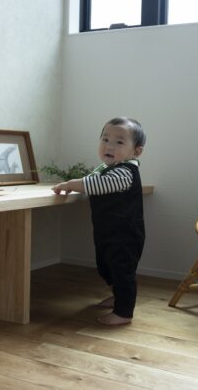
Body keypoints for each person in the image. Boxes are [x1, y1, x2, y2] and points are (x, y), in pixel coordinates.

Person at [52, 117, 146, 326]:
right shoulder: (106, 168)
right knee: (106, 266)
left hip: (125, 234)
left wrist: (71, 184)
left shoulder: (126, 172)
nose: (109, 146)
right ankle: (118, 296)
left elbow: (97, 184)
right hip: (107, 231)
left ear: (136, 151)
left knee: (122, 270)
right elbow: (93, 181)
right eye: (105, 139)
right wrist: (75, 185)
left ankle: (124, 312)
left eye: (119, 142)